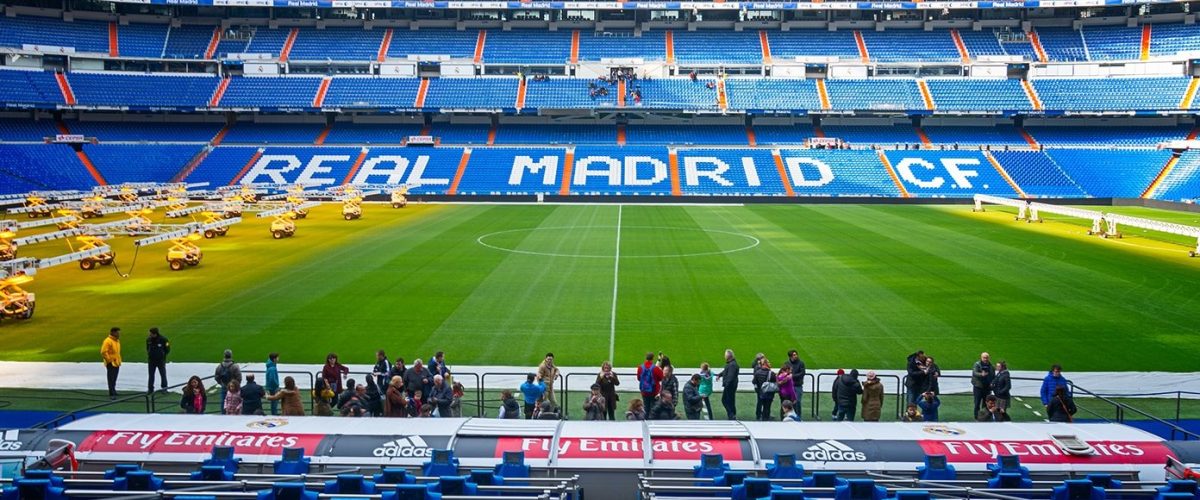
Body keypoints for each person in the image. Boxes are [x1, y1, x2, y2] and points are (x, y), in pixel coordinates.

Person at [145, 327, 170, 393]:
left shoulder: (163, 339)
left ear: (155, 334)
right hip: (151, 360)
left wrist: (162, 356)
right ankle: (150, 389)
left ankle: (164, 388)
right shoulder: (148, 340)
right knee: (151, 375)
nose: (149, 335)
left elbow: (167, 349)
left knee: (163, 374)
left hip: (160, 360)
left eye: (150, 333)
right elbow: (147, 348)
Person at [717, 349, 739, 420]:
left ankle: (731, 415)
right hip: (731, 385)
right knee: (730, 400)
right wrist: (720, 375)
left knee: (725, 400)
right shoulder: (732, 364)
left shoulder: (732, 365)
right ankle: (732, 414)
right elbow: (726, 371)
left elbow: (730, 376)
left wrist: (726, 384)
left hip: (730, 386)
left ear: (728, 356)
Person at [101, 327, 122, 400]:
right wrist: (109, 360)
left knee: (114, 378)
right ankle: (111, 393)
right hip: (111, 363)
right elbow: (103, 352)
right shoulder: (108, 341)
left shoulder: (116, 341)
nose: (119, 334)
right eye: (118, 333)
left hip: (116, 362)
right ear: (113, 332)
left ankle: (113, 390)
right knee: (111, 378)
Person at [971, 352, 994, 417]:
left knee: (985, 404)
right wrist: (981, 374)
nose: (985, 359)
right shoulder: (977, 364)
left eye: (986, 358)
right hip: (978, 387)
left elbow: (993, 375)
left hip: (987, 387)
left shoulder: (991, 366)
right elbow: (974, 373)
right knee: (977, 403)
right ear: (981, 358)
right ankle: (977, 417)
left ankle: (984, 417)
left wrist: (992, 383)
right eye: (984, 358)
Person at [784, 350, 806, 415]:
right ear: (790, 356)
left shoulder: (801, 363)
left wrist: (792, 376)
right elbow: (784, 372)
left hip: (797, 386)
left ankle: (798, 416)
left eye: (796, 354)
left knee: (797, 401)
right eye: (794, 355)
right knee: (789, 402)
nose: (796, 356)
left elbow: (802, 373)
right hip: (789, 386)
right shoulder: (787, 363)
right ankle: (789, 415)